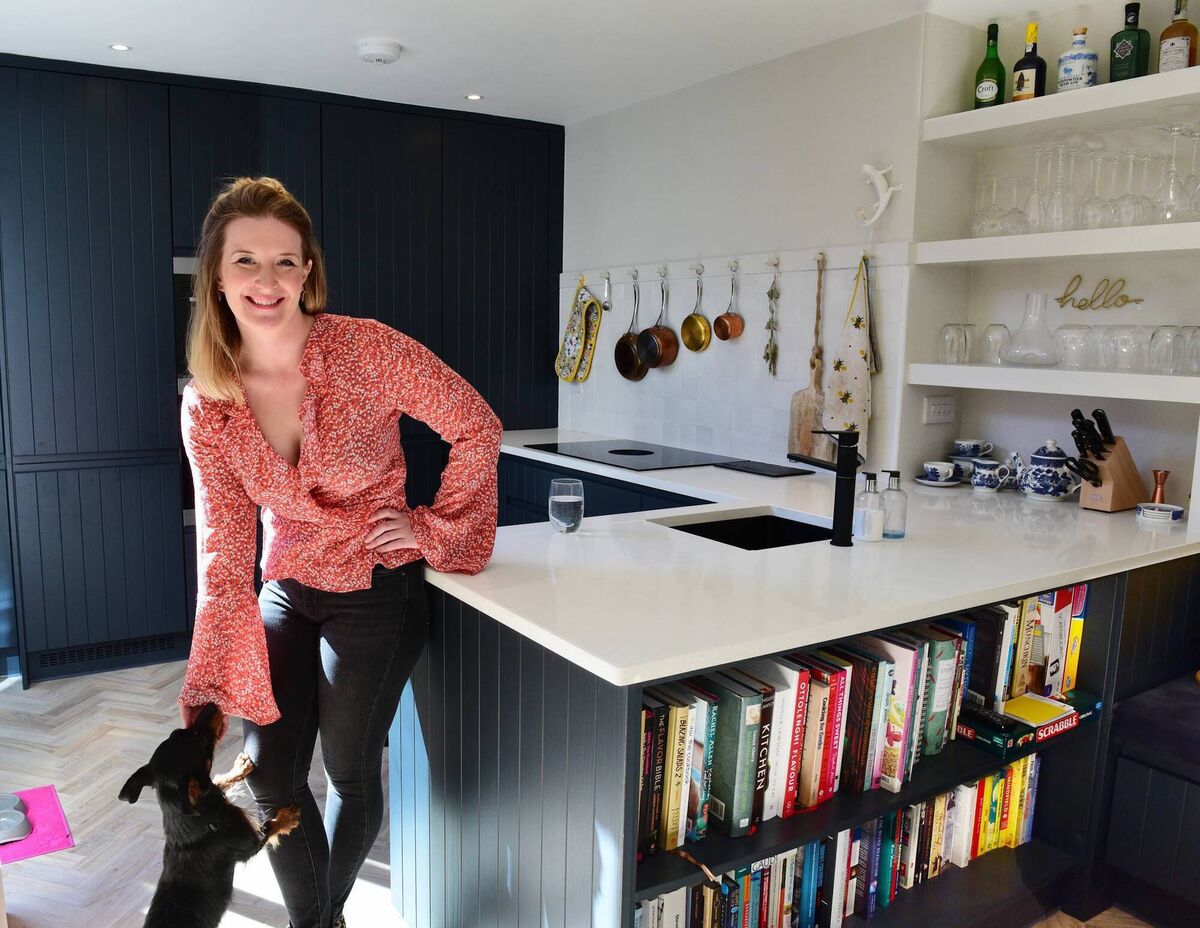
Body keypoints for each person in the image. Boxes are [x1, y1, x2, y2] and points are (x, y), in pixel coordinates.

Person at [176, 176, 502, 928]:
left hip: (376, 586)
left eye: (285, 261)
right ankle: (321, 922)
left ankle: (315, 921)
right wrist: (208, 674)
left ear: (308, 272)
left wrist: (434, 527)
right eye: (246, 260)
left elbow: (476, 424)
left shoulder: (367, 349)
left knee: (350, 771)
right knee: (271, 777)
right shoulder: (208, 402)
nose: (266, 280)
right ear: (217, 276)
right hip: (287, 583)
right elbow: (225, 546)